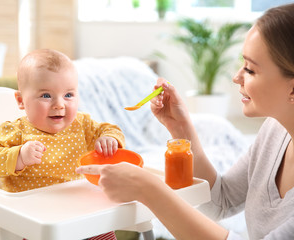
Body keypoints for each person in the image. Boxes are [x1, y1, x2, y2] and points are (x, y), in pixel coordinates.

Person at [76, 3, 294, 240]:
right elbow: (220, 202)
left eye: (250, 70)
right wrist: (181, 129)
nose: (236, 77)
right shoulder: (275, 131)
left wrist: (149, 190)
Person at [0, 49, 124, 240]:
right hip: (34, 216)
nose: (59, 104)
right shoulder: (15, 131)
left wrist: (109, 139)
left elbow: (111, 129)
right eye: (46, 96)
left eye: (68, 95)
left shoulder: (83, 125)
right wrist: (19, 156)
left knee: (103, 228)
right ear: (21, 101)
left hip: (80, 208)